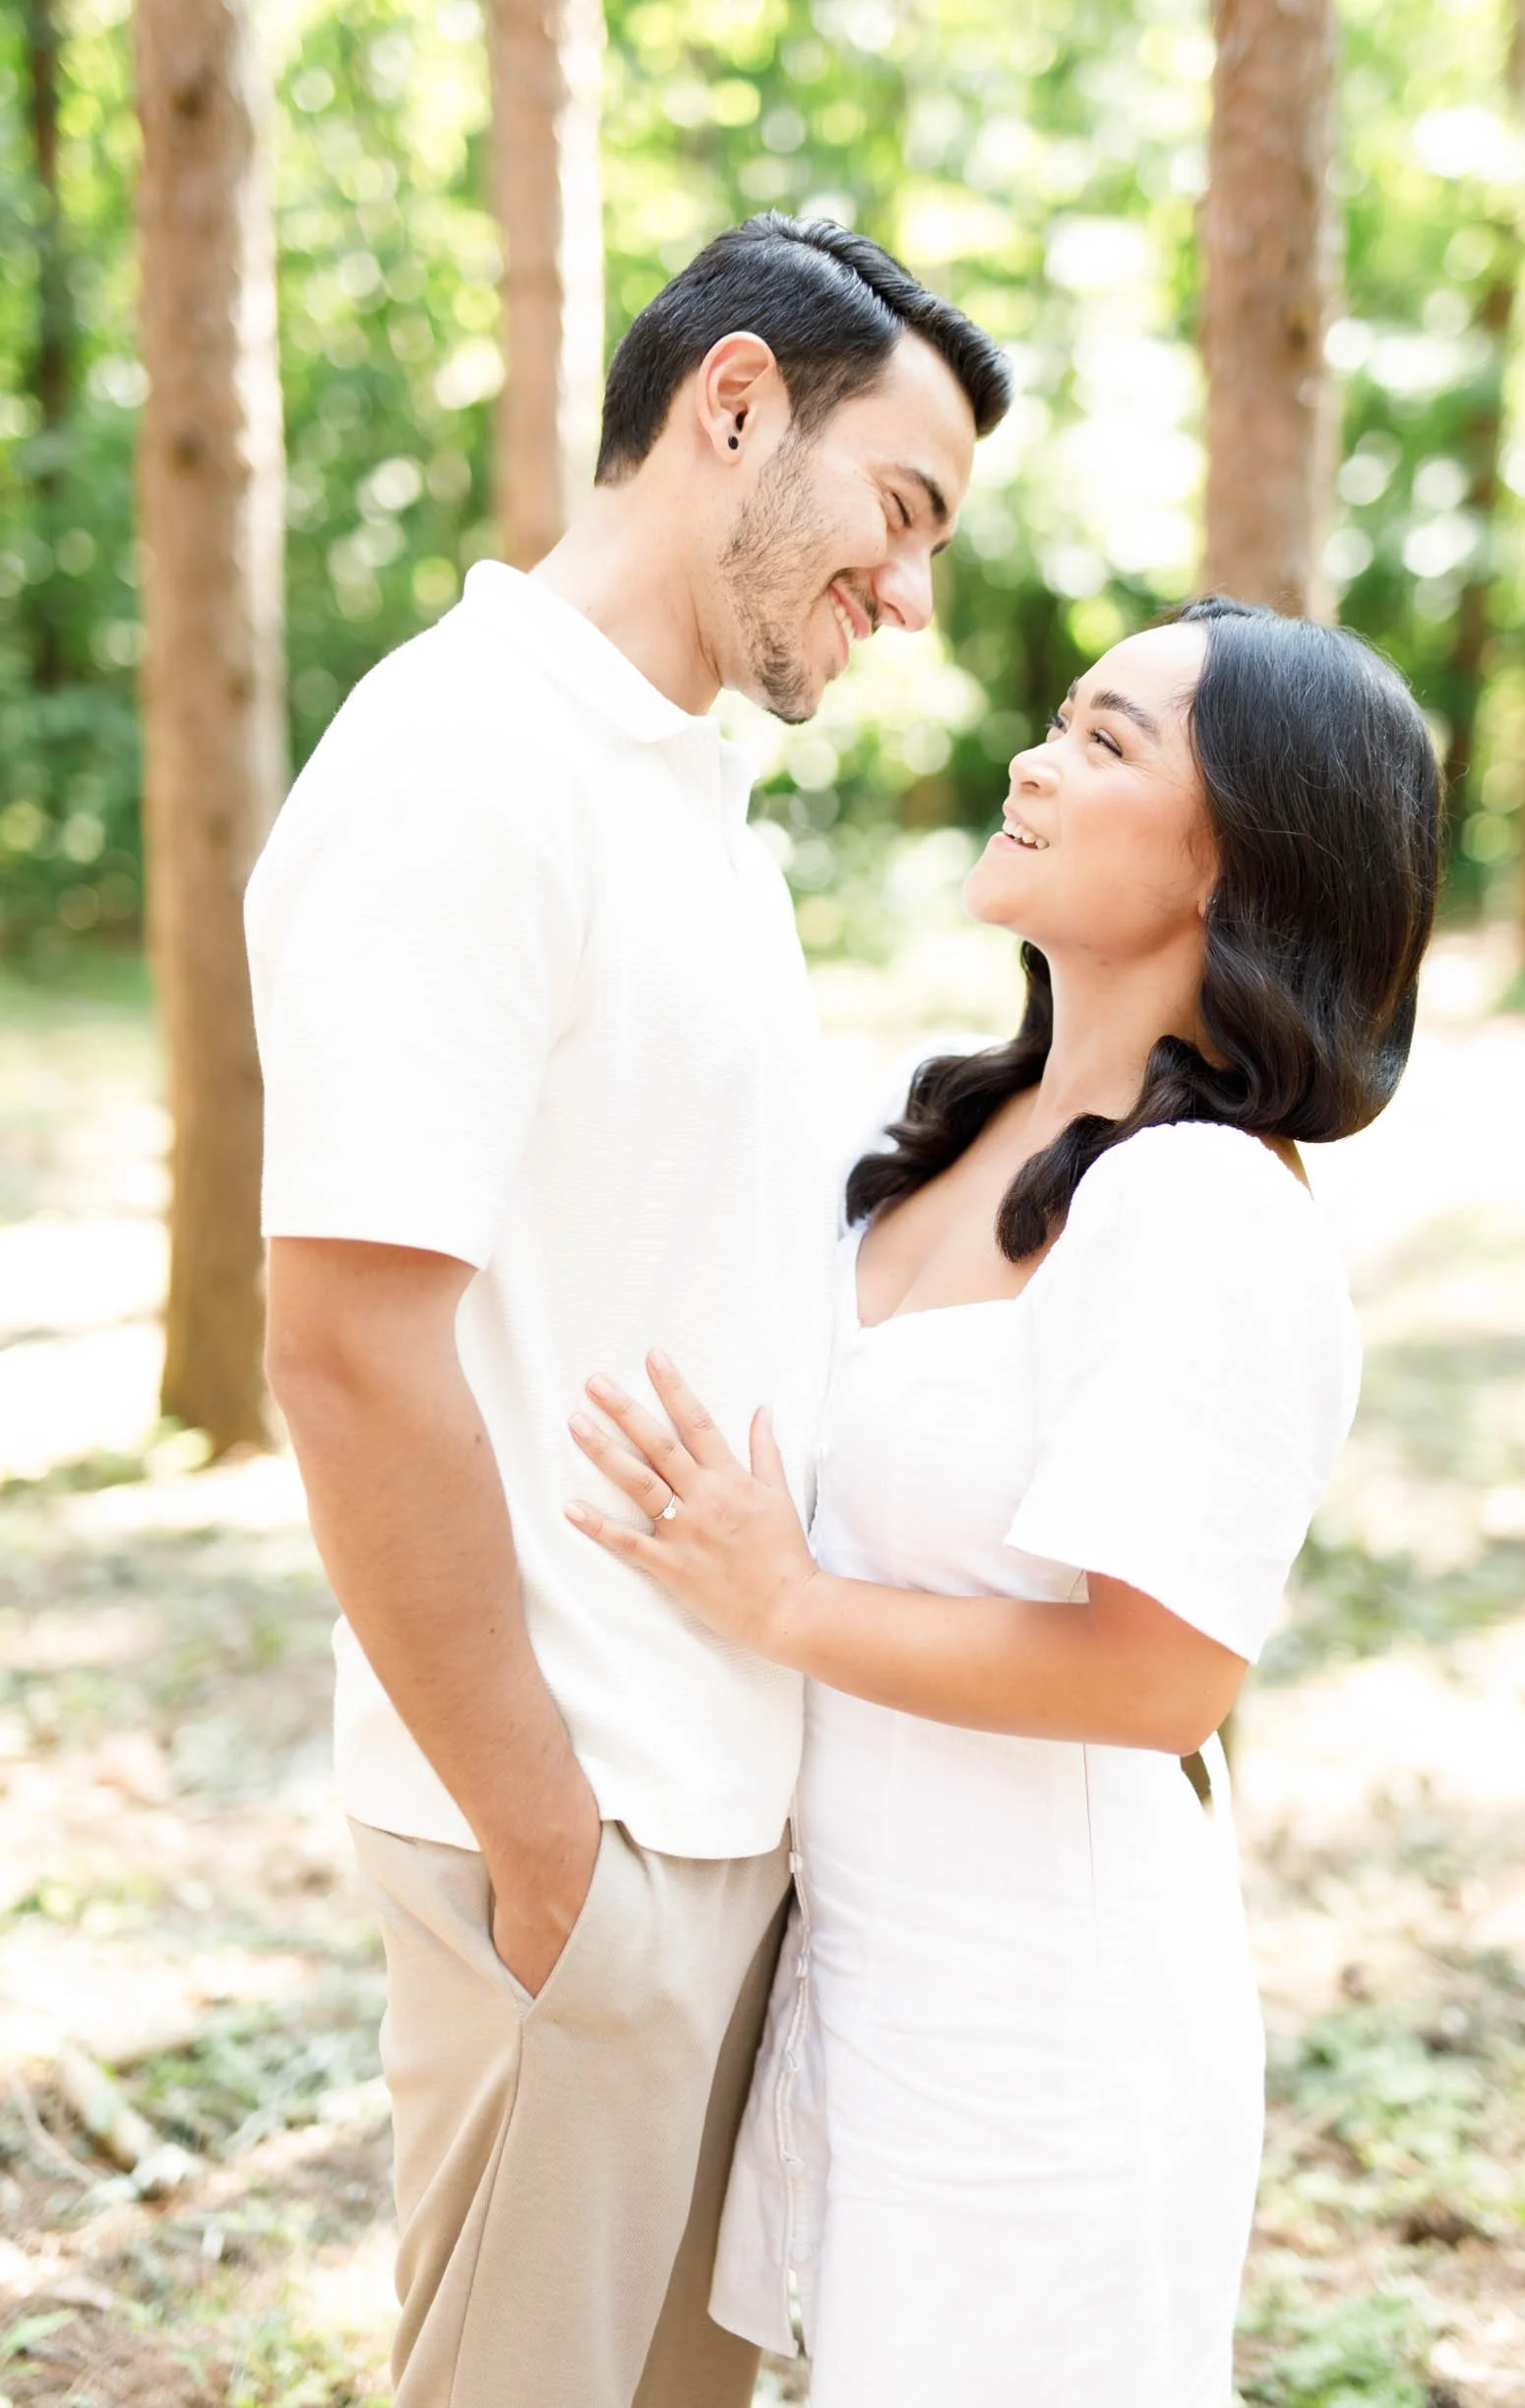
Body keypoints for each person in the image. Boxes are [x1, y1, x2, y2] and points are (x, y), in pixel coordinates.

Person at [244, 211, 1009, 2408]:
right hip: (577, 1842)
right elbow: (350, 1347)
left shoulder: (683, 790)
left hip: (721, 1824)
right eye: (902, 511)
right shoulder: (461, 765)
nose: (912, 592)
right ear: (737, 404)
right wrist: (551, 1850)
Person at [565, 596, 1443, 2408]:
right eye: (1060, 718)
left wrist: (788, 1604)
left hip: (1050, 2034)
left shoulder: (1203, 1211)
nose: (1036, 760)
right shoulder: (932, 1128)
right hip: (856, 1983)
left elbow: (1161, 1682)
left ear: (1240, 864)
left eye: (1111, 743)